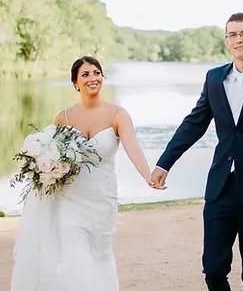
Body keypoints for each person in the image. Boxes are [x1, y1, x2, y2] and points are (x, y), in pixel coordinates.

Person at [150, 13, 243, 290]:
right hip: (221, 187)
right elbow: (194, 124)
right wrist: (164, 163)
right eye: (232, 34)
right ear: (226, 41)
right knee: (213, 268)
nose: (239, 39)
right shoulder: (214, 78)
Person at [11, 56, 157, 291]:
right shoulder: (63, 118)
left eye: (96, 73)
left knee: (99, 254)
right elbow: (51, 154)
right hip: (69, 198)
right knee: (73, 253)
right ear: (75, 83)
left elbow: (133, 147)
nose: (93, 78)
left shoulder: (117, 115)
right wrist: (44, 170)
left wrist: (147, 175)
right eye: (85, 74)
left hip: (102, 199)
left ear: (102, 78)